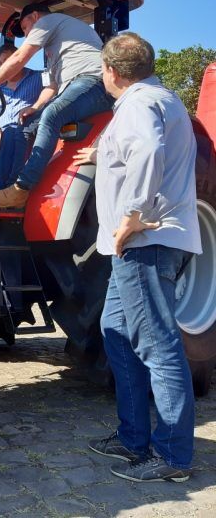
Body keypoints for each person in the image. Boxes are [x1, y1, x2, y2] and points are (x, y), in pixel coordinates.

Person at [76, 33, 201, 482]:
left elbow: (147, 149)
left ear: (110, 72)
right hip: (140, 246)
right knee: (116, 330)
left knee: (159, 345)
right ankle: (132, 437)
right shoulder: (161, 98)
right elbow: (137, 150)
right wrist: (102, 153)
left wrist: (132, 215)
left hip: (145, 242)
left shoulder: (135, 104)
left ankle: (172, 457)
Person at [0, 3, 113, 208]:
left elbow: (20, 57)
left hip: (93, 83)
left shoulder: (48, 21)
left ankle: (21, 189)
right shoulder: (58, 50)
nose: (27, 34)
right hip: (72, 86)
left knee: (51, 115)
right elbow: (55, 84)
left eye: (25, 28)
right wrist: (36, 106)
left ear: (35, 16)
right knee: (24, 125)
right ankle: (5, 188)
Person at [0, 43, 43, 190]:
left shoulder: (39, 78)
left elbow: (51, 97)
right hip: (1, 135)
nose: (4, 66)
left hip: (28, 130)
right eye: (0, 64)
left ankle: (2, 189)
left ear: (19, 59)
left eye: (7, 60)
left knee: (11, 132)